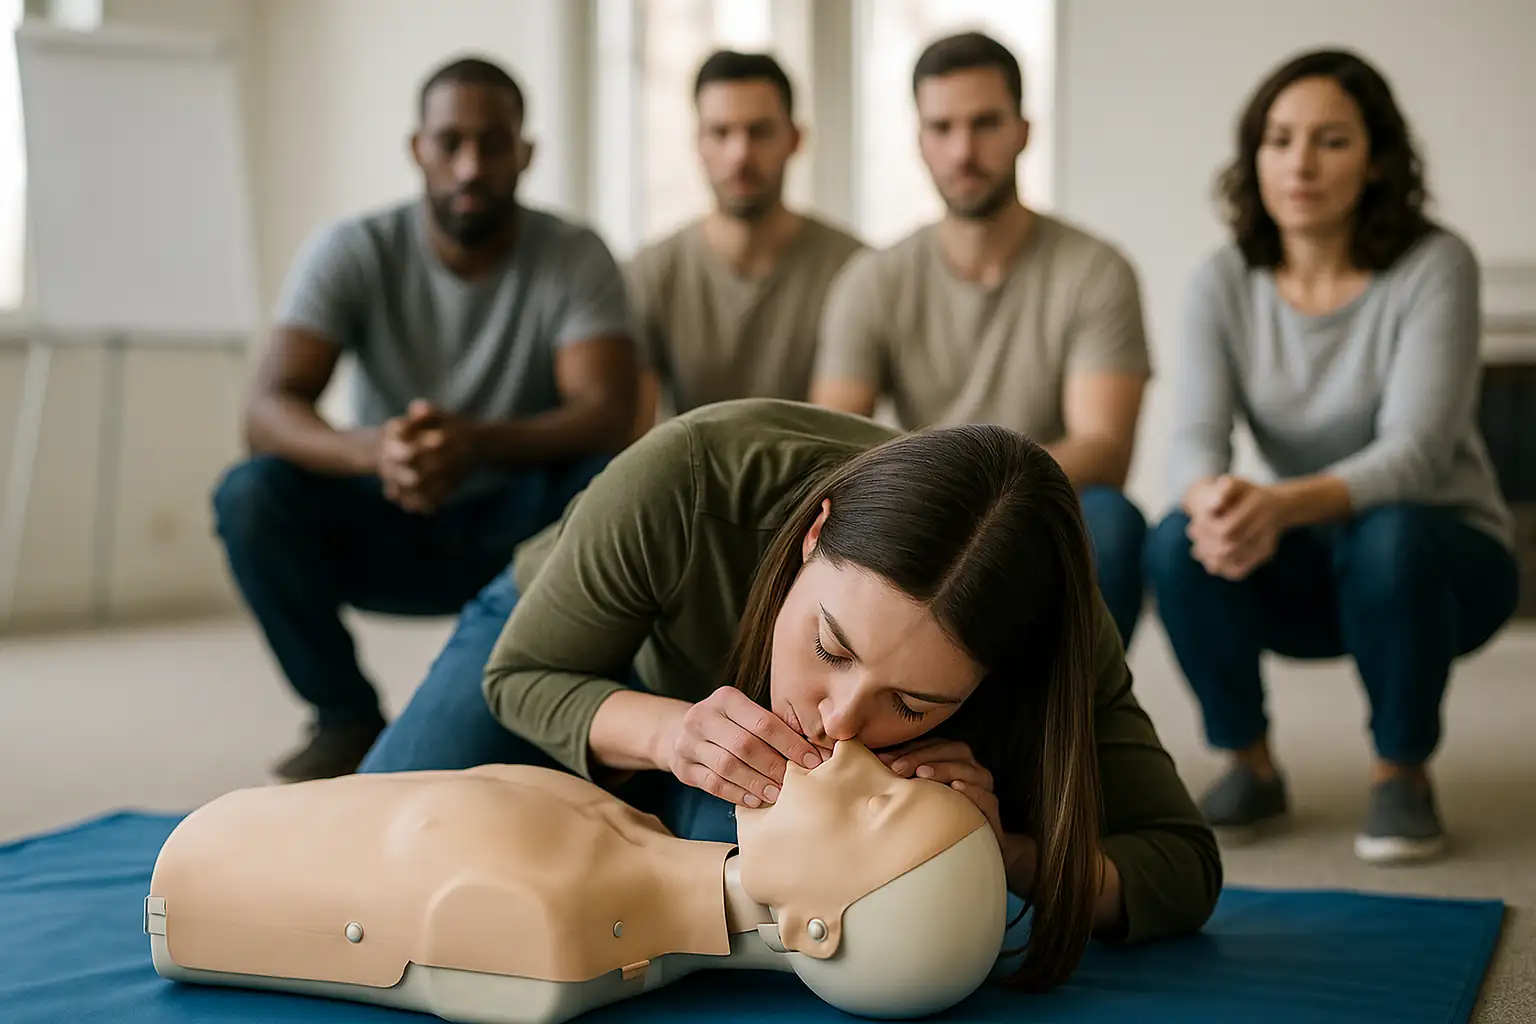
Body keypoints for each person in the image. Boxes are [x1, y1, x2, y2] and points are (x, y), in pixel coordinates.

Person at [360, 397, 1221, 993]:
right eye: (829, 648)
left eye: (913, 705)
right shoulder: (692, 474)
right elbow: (522, 678)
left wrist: (1008, 850)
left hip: (681, 712)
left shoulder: (1057, 637)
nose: (842, 720)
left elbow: (1183, 867)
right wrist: (667, 737)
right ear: (814, 534)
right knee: (361, 861)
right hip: (563, 643)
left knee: (725, 907)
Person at [210, 56, 639, 784]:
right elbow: (267, 409)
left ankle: (566, 712)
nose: (471, 166)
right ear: (419, 149)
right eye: (450, 143)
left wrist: (477, 446)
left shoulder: (574, 255)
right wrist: (376, 451)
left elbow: (606, 412)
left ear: (524, 153)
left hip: (524, 536)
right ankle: (344, 717)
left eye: (493, 143)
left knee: (615, 485)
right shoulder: (353, 249)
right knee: (250, 494)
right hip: (390, 511)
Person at [1143, 49, 1520, 865]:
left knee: (1389, 530)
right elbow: (1194, 440)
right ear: (1254, 157)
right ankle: (1249, 765)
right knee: (1175, 536)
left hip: (1448, 564)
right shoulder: (1222, 281)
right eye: (1278, 140)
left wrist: (1277, 505)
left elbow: (1416, 456)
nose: (1299, 164)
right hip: (1319, 558)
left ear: (1378, 159)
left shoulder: (1434, 265)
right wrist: (1213, 502)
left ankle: (1402, 773)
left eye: (1331, 141)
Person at [810, 31, 1152, 648]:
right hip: (922, 516)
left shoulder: (1095, 269)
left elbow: (1105, 450)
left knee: (1114, 522)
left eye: (985, 124)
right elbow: (831, 443)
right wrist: (939, 503)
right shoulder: (872, 280)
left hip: (1046, 508)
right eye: (942, 127)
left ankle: (1089, 730)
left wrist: (986, 494)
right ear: (920, 141)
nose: (963, 150)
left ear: (1023, 130)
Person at [625, 50, 864, 428]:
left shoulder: (853, 268)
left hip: (819, 482)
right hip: (690, 480)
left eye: (759, 131)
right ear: (698, 144)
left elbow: (844, 438)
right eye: (720, 133)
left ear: (795, 138)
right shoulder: (652, 273)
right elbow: (633, 440)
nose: (740, 154)